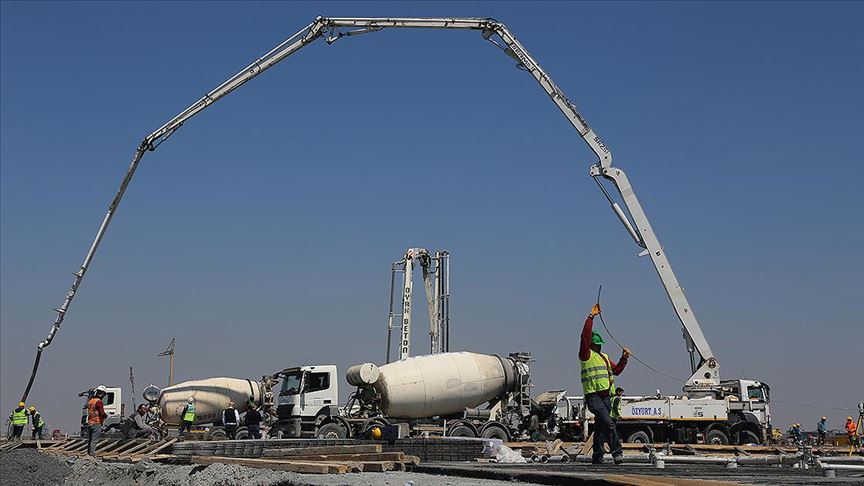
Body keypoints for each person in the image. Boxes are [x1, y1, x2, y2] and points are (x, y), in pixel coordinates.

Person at [580, 303, 629, 465]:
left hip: (606, 397)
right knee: (609, 424)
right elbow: (584, 337)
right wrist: (591, 317)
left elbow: (617, 371)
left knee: (600, 428)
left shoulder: (605, 357)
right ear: (593, 344)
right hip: (593, 397)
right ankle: (617, 452)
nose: (600, 346)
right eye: (597, 343)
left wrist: (624, 358)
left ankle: (598, 456)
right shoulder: (586, 355)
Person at [86, 386, 108, 455]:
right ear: (102, 393)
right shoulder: (99, 402)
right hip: (96, 422)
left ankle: (89, 453)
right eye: (104, 394)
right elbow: (101, 413)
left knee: (90, 440)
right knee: (94, 440)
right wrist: (105, 416)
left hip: (90, 422)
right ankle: (92, 454)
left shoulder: (91, 401)